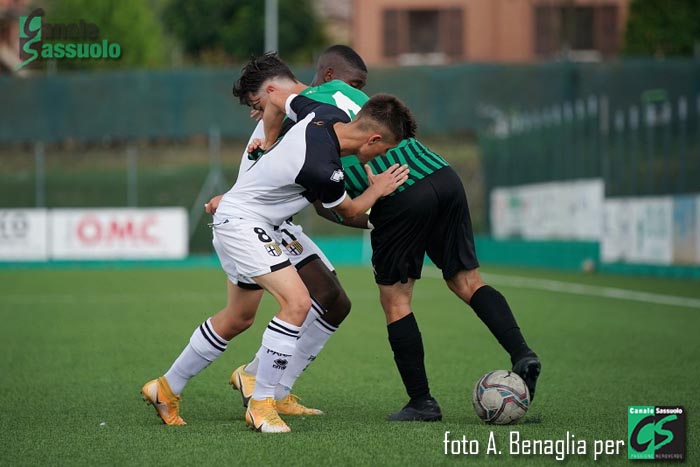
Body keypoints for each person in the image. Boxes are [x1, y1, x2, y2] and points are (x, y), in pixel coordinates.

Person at [239, 53, 542, 423]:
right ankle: (522, 353)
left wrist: (268, 142)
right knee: (468, 282)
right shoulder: (346, 95)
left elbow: (327, 204)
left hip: (397, 194)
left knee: (396, 301)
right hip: (440, 173)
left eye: (256, 105)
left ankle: (422, 402)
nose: (258, 112)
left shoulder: (302, 116)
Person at [141, 89, 410, 432]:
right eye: (384, 150)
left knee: (239, 317)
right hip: (243, 223)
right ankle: (261, 404)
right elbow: (349, 210)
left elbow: (278, 97)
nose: (380, 157)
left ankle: (166, 388)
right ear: (373, 139)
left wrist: (269, 141)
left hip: (255, 221)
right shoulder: (322, 167)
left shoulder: (324, 113)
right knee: (297, 302)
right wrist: (379, 189)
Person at [204, 47, 374, 416]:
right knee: (279, 307)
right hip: (257, 224)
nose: (357, 93)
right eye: (354, 85)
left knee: (333, 301)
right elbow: (278, 186)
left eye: (256, 103)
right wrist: (378, 213)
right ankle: (259, 390)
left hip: (275, 222)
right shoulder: (298, 113)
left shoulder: (306, 108)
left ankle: (266, 385)